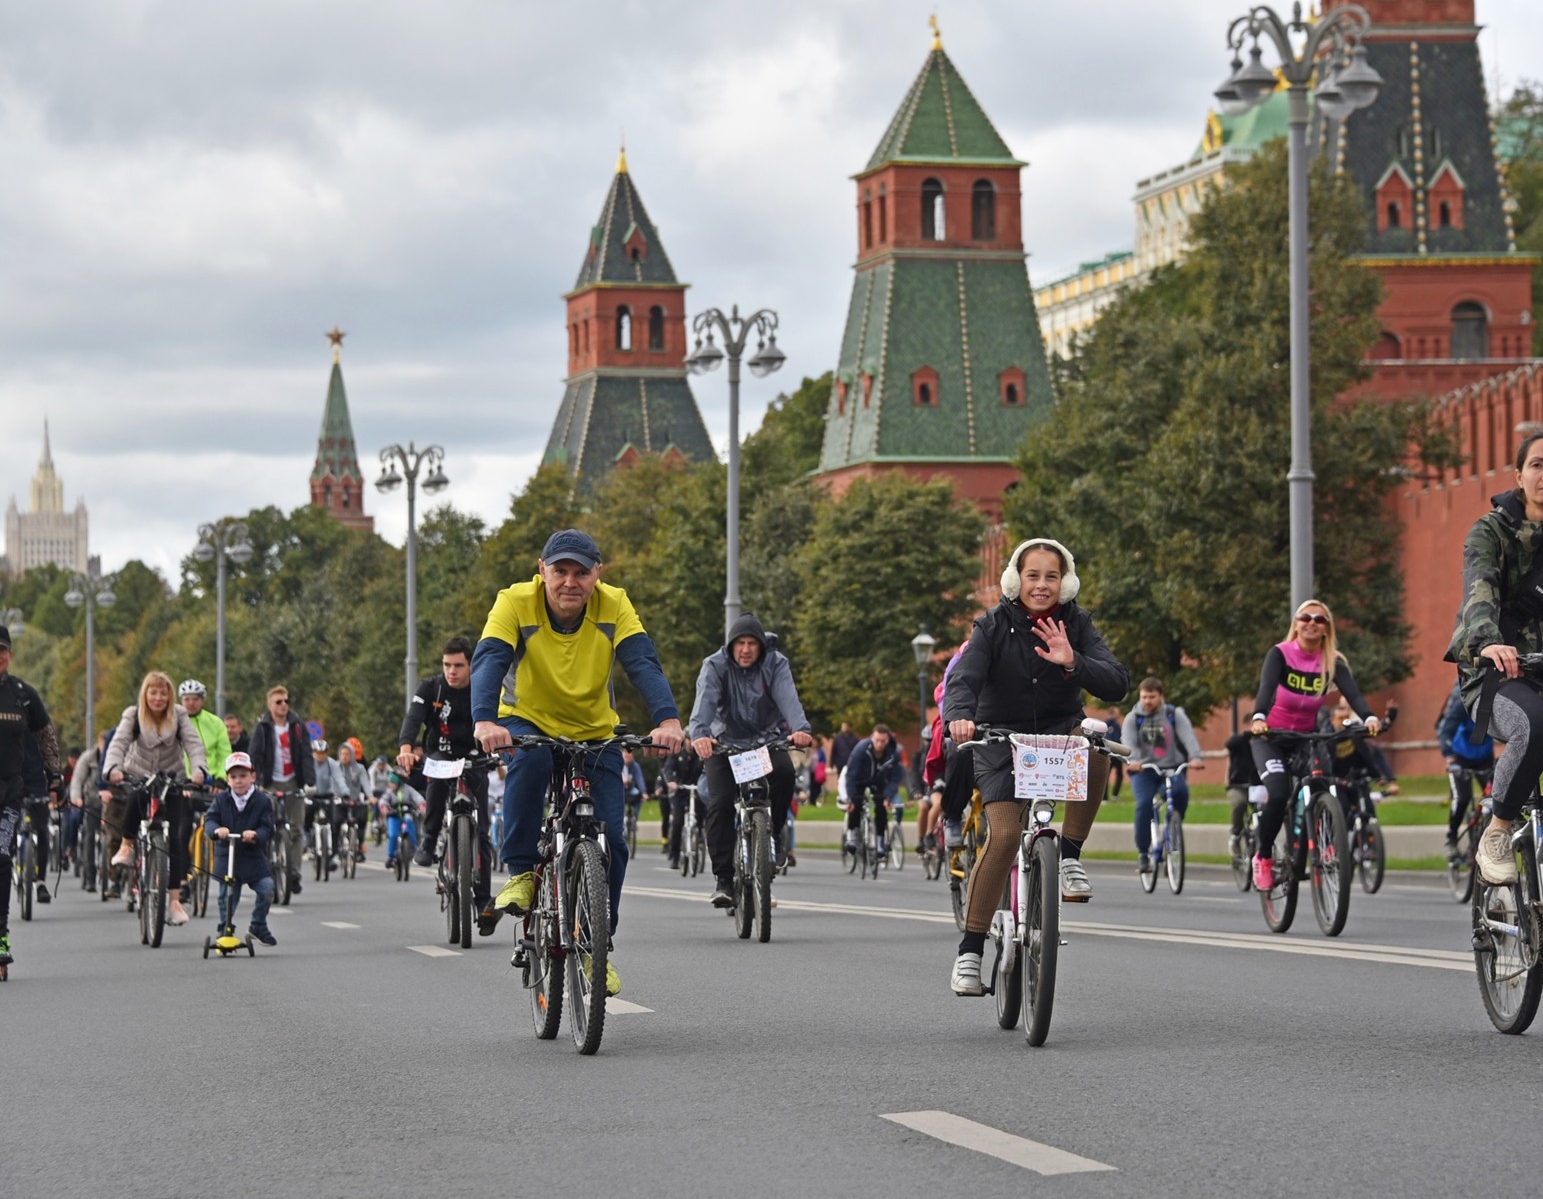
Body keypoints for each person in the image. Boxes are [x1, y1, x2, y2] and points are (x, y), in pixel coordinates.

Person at [472, 529, 684, 996]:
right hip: (528, 720)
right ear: (542, 570)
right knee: (528, 764)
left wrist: (667, 720)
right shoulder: (513, 602)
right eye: (560, 571)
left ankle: (595, 948)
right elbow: (489, 659)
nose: (570, 582)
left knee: (612, 840)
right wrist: (486, 721)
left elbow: (643, 663)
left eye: (581, 573)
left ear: (597, 575)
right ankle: (524, 871)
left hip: (594, 730)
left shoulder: (615, 604)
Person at [943, 537, 1130, 995]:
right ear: (1015, 579)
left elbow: (1118, 683)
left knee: (1097, 746)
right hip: (1000, 738)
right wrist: (960, 718)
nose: (1042, 585)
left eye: (1051, 576)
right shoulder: (990, 625)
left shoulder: (1078, 623)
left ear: (1064, 582)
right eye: (1033, 576)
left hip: (1058, 733)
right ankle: (969, 952)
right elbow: (963, 680)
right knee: (1005, 836)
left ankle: (1068, 855)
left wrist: (1074, 662)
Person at [1447, 430, 1543, 887]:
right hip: (1499, 672)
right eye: (1538, 465)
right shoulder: (1491, 532)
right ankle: (1498, 830)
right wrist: (1487, 641)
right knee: (1535, 724)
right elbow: (1478, 587)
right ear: (1520, 476)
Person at [1248, 599, 1379, 891]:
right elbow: (1266, 689)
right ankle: (1263, 856)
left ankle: (1326, 845)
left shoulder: (1333, 662)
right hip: (1271, 737)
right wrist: (1258, 717)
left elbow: (1354, 695)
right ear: (1295, 624)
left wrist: (1369, 717)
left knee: (1326, 785)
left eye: (1319, 619)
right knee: (1279, 793)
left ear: (1326, 628)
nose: (1311, 622)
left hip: (1307, 738)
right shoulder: (1280, 654)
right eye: (1305, 617)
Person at [687, 612, 814, 907]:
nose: (745, 649)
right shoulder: (715, 666)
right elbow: (705, 701)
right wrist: (701, 735)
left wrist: (800, 730)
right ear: (731, 646)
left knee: (784, 773)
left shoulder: (776, 663)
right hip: (723, 744)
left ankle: (775, 836)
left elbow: (788, 697)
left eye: (751, 644)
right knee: (719, 803)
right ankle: (723, 880)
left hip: (763, 742)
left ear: (761, 646)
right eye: (740, 643)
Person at [101, 670, 210, 926]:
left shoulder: (180, 715)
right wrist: (112, 769)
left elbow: (194, 745)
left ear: (170, 696)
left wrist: (199, 771)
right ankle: (127, 846)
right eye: (153, 692)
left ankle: (174, 901)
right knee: (136, 798)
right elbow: (118, 743)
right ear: (145, 694)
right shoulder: (133, 714)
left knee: (175, 837)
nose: (158, 698)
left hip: (172, 778)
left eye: (163, 693)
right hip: (139, 774)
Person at [399, 636, 494, 925]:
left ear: (470, 665)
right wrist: (405, 748)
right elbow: (413, 718)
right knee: (436, 775)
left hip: (475, 757)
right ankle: (428, 840)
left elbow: (502, 718)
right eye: (447, 665)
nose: (451, 671)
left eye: (458, 666)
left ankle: (482, 902)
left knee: (483, 833)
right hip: (441, 754)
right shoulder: (431, 688)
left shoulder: (484, 686)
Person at [0, 624, 61, 971]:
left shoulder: (23, 694)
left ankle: (1, 934)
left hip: (10, 791)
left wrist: (56, 777)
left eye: (2, 651)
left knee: (1, 858)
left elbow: (46, 735)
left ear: (9, 654)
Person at [1121, 677, 1204, 875]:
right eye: (1144, 697)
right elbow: (1128, 741)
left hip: (1172, 767)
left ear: (1161, 696)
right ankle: (1143, 853)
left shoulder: (1174, 714)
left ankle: (1173, 831)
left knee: (1181, 793)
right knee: (1144, 805)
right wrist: (1133, 760)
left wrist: (1195, 757)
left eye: (1152, 697)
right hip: (1144, 770)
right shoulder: (1133, 718)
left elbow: (1188, 736)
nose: (1147, 701)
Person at [247, 685, 315, 897]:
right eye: (279, 702)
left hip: (293, 781)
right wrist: (255, 781)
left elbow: (306, 753)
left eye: (286, 701)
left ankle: (293, 873)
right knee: (265, 825)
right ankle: (265, 869)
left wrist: (309, 782)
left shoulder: (297, 725)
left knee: (296, 828)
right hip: (270, 782)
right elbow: (255, 755)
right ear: (270, 705)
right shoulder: (263, 727)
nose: (284, 705)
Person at [206, 751, 277, 946]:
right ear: (227, 780)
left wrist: (256, 835)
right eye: (234, 777)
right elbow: (210, 820)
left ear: (253, 777)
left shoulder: (262, 801)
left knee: (267, 889)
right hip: (227, 856)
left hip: (252, 857)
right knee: (226, 896)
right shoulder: (221, 800)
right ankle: (224, 928)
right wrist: (217, 830)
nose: (239, 781)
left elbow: (267, 827)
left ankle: (258, 924)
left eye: (243, 776)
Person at [1435, 681, 1495, 858]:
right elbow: (1447, 729)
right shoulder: (1464, 703)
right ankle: (1451, 838)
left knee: (1495, 799)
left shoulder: (1497, 702)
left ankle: (1491, 840)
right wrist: (1449, 757)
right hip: (1460, 758)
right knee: (1463, 798)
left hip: (1485, 758)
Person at [839, 725, 903, 855]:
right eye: (877, 740)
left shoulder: (892, 753)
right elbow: (851, 775)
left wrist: (888, 796)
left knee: (881, 807)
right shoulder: (861, 749)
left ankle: (880, 841)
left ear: (887, 740)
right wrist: (850, 798)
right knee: (855, 804)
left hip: (878, 781)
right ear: (872, 738)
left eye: (883, 741)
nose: (879, 744)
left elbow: (894, 778)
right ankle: (851, 835)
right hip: (859, 779)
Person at [70, 729, 110, 891]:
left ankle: (116, 875)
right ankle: (90, 876)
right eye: (104, 745)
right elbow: (77, 780)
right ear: (99, 744)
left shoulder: (118, 757)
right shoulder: (88, 758)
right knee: (89, 837)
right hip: (92, 802)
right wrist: (76, 797)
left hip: (112, 803)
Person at [178, 680, 232, 783]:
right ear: (181, 701)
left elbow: (225, 753)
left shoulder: (215, 722)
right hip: (184, 780)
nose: (191, 703)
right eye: (187, 699)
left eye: (195, 699)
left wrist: (221, 778)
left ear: (203, 701)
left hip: (212, 780)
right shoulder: (175, 721)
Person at [660, 744, 702, 870]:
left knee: (702, 812)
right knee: (677, 822)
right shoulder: (677, 753)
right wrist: (671, 781)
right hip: (679, 790)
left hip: (695, 789)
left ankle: (699, 835)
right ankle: (675, 856)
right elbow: (667, 769)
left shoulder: (699, 754)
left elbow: (705, 771)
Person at [1223, 728, 1262, 858]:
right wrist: (1246, 736)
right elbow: (1229, 744)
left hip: (1258, 786)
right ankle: (1235, 835)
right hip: (1238, 785)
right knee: (1240, 803)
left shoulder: (1265, 746)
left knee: (1265, 810)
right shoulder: (1240, 742)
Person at [310, 739, 346, 870]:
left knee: (333, 824)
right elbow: (303, 777)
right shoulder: (309, 763)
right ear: (313, 752)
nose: (320, 756)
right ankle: (308, 842)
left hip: (328, 796)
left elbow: (339, 778)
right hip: (311, 795)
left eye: (323, 753)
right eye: (318, 753)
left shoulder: (331, 764)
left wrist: (344, 792)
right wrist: (304, 789)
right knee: (307, 818)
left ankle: (331, 855)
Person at [336, 741, 370, 860]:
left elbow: (365, 782)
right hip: (340, 798)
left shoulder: (361, 766)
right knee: (336, 820)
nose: (345, 757)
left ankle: (359, 847)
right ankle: (337, 846)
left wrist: (369, 796)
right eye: (343, 754)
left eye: (348, 754)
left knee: (361, 819)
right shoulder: (337, 767)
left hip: (357, 798)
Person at [621, 747, 647, 846]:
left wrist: (644, 792)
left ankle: (634, 819)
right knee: (620, 804)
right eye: (626, 756)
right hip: (620, 790)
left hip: (630, 789)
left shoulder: (635, 766)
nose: (627, 758)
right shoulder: (619, 765)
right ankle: (622, 821)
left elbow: (639, 779)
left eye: (629, 756)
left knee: (638, 797)